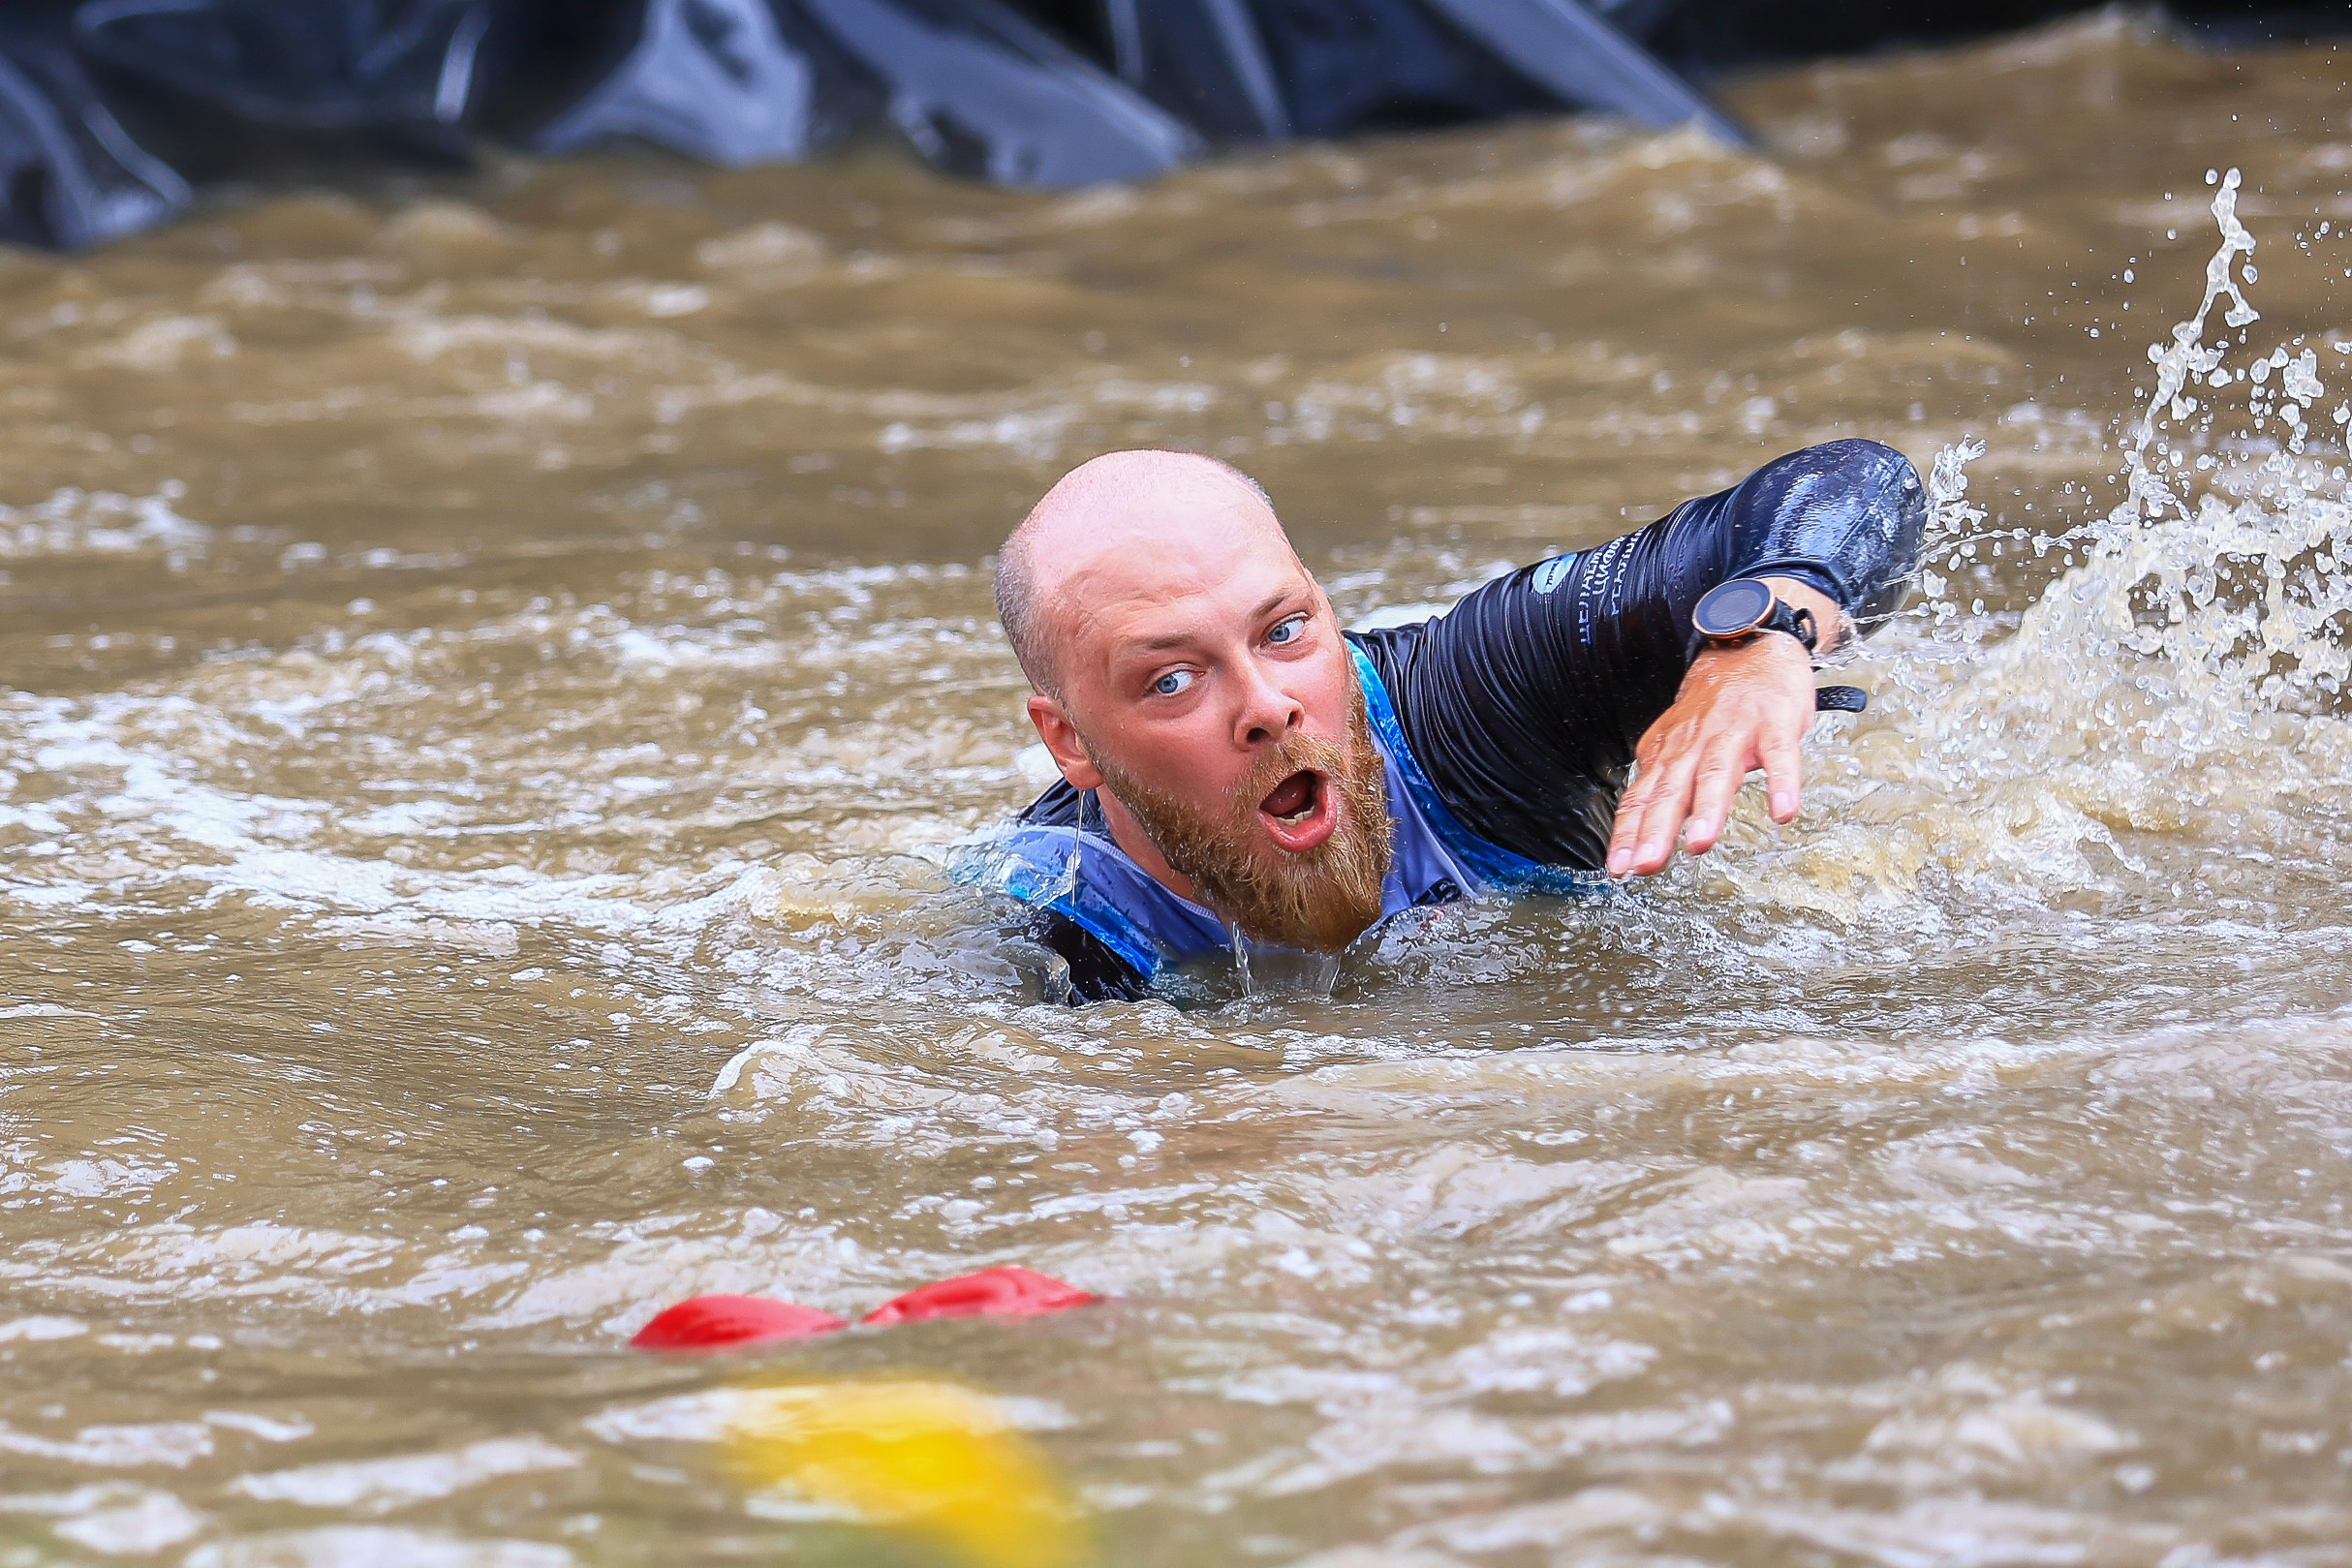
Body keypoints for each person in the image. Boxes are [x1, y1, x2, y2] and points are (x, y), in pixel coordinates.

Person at [968, 442, 1926, 1002]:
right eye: (1174, 679)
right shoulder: (1060, 934)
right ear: (1072, 743)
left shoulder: (1478, 704)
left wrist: (1762, 640)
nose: (1265, 704)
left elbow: (1861, 482)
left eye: (1287, 629)